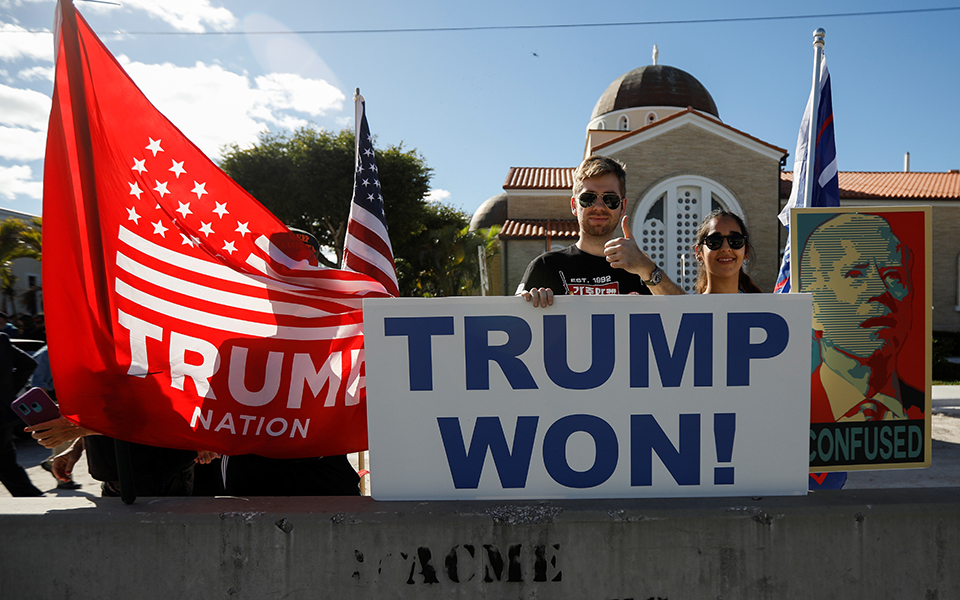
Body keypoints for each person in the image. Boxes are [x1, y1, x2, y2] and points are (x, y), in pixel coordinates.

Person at [798, 213, 923, 422]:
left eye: (892, 275)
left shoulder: (920, 411)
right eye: (855, 274)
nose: (879, 290)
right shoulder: (792, 412)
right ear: (814, 305)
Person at [517, 155, 684, 306]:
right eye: (588, 198)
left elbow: (687, 313)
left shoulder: (640, 269)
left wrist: (647, 269)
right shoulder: (546, 267)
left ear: (623, 206)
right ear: (575, 206)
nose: (598, 207)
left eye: (609, 199)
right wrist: (528, 304)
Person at [0, 332, 42, 496]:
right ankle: (35, 501)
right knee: (6, 464)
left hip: (3, 414)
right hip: (3, 413)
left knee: (6, 464)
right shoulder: (2, 339)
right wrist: (7, 393)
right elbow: (28, 364)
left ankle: (34, 500)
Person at [691, 209, 762, 294]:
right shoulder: (689, 307)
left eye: (735, 240)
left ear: (746, 251)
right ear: (699, 253)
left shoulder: (760, 306)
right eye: (714, 241)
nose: (725, 248)